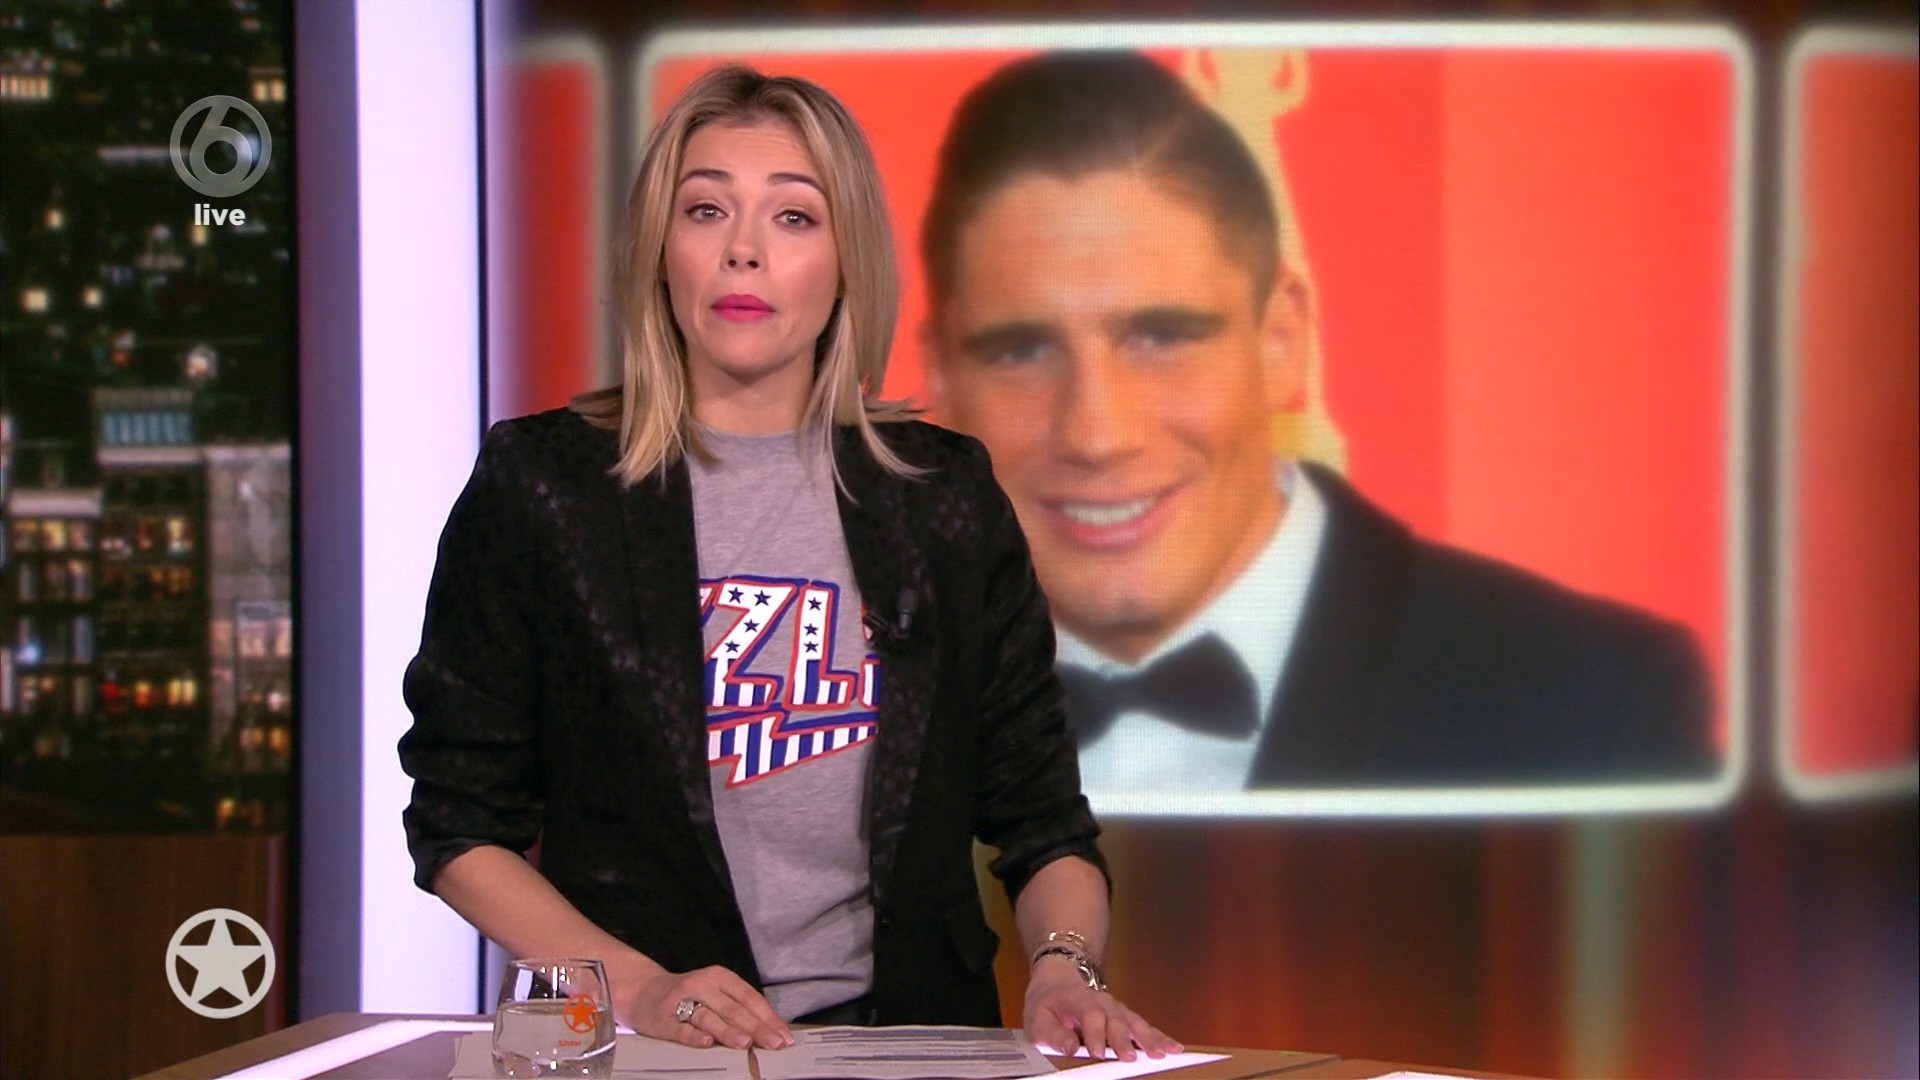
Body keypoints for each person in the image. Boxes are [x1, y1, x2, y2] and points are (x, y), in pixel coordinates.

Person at [398, 65, 1176, 1059]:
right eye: (706, 209)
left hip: (910, 1048)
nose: (745, 250)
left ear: (847, 264)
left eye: (794, 217)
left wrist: (1066, 969)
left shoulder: (943, 498)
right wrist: (642, 990)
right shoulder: (544, 487)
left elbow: (1044, 825)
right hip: (653, 1054)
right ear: (660, 251)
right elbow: (459, 822)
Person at [919, 51, 1716, 794]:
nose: (1096, 434)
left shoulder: (1591, 707)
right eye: (1020, 352)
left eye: (1162, 337)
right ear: (942, 380)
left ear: (1282, 342)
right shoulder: (859, 695)